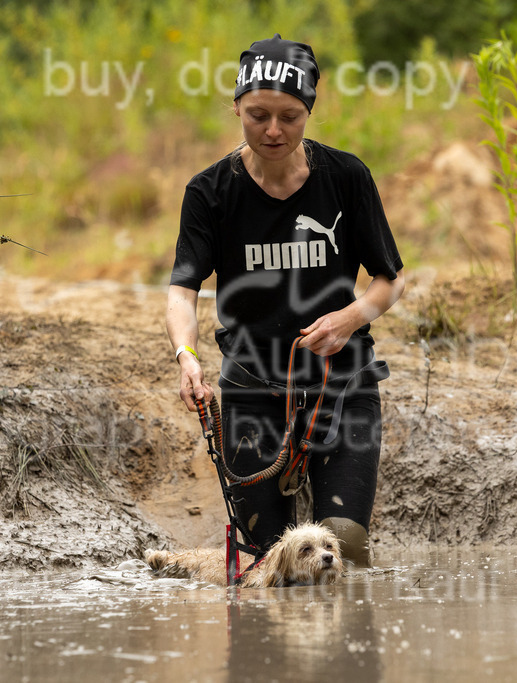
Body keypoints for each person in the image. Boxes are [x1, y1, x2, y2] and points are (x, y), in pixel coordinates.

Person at [166, 34, 404, 568]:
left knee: (344, 547)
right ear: (236, 108)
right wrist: (187, 356)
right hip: (251, 391)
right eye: (258, 115)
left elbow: (390, 279)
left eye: (290, 116)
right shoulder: (210, 192)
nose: (273, 130)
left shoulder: (345, 178)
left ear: (309, 111)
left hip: (341, 387)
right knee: (265, 563)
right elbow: (184, 288)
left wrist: (349, 319)